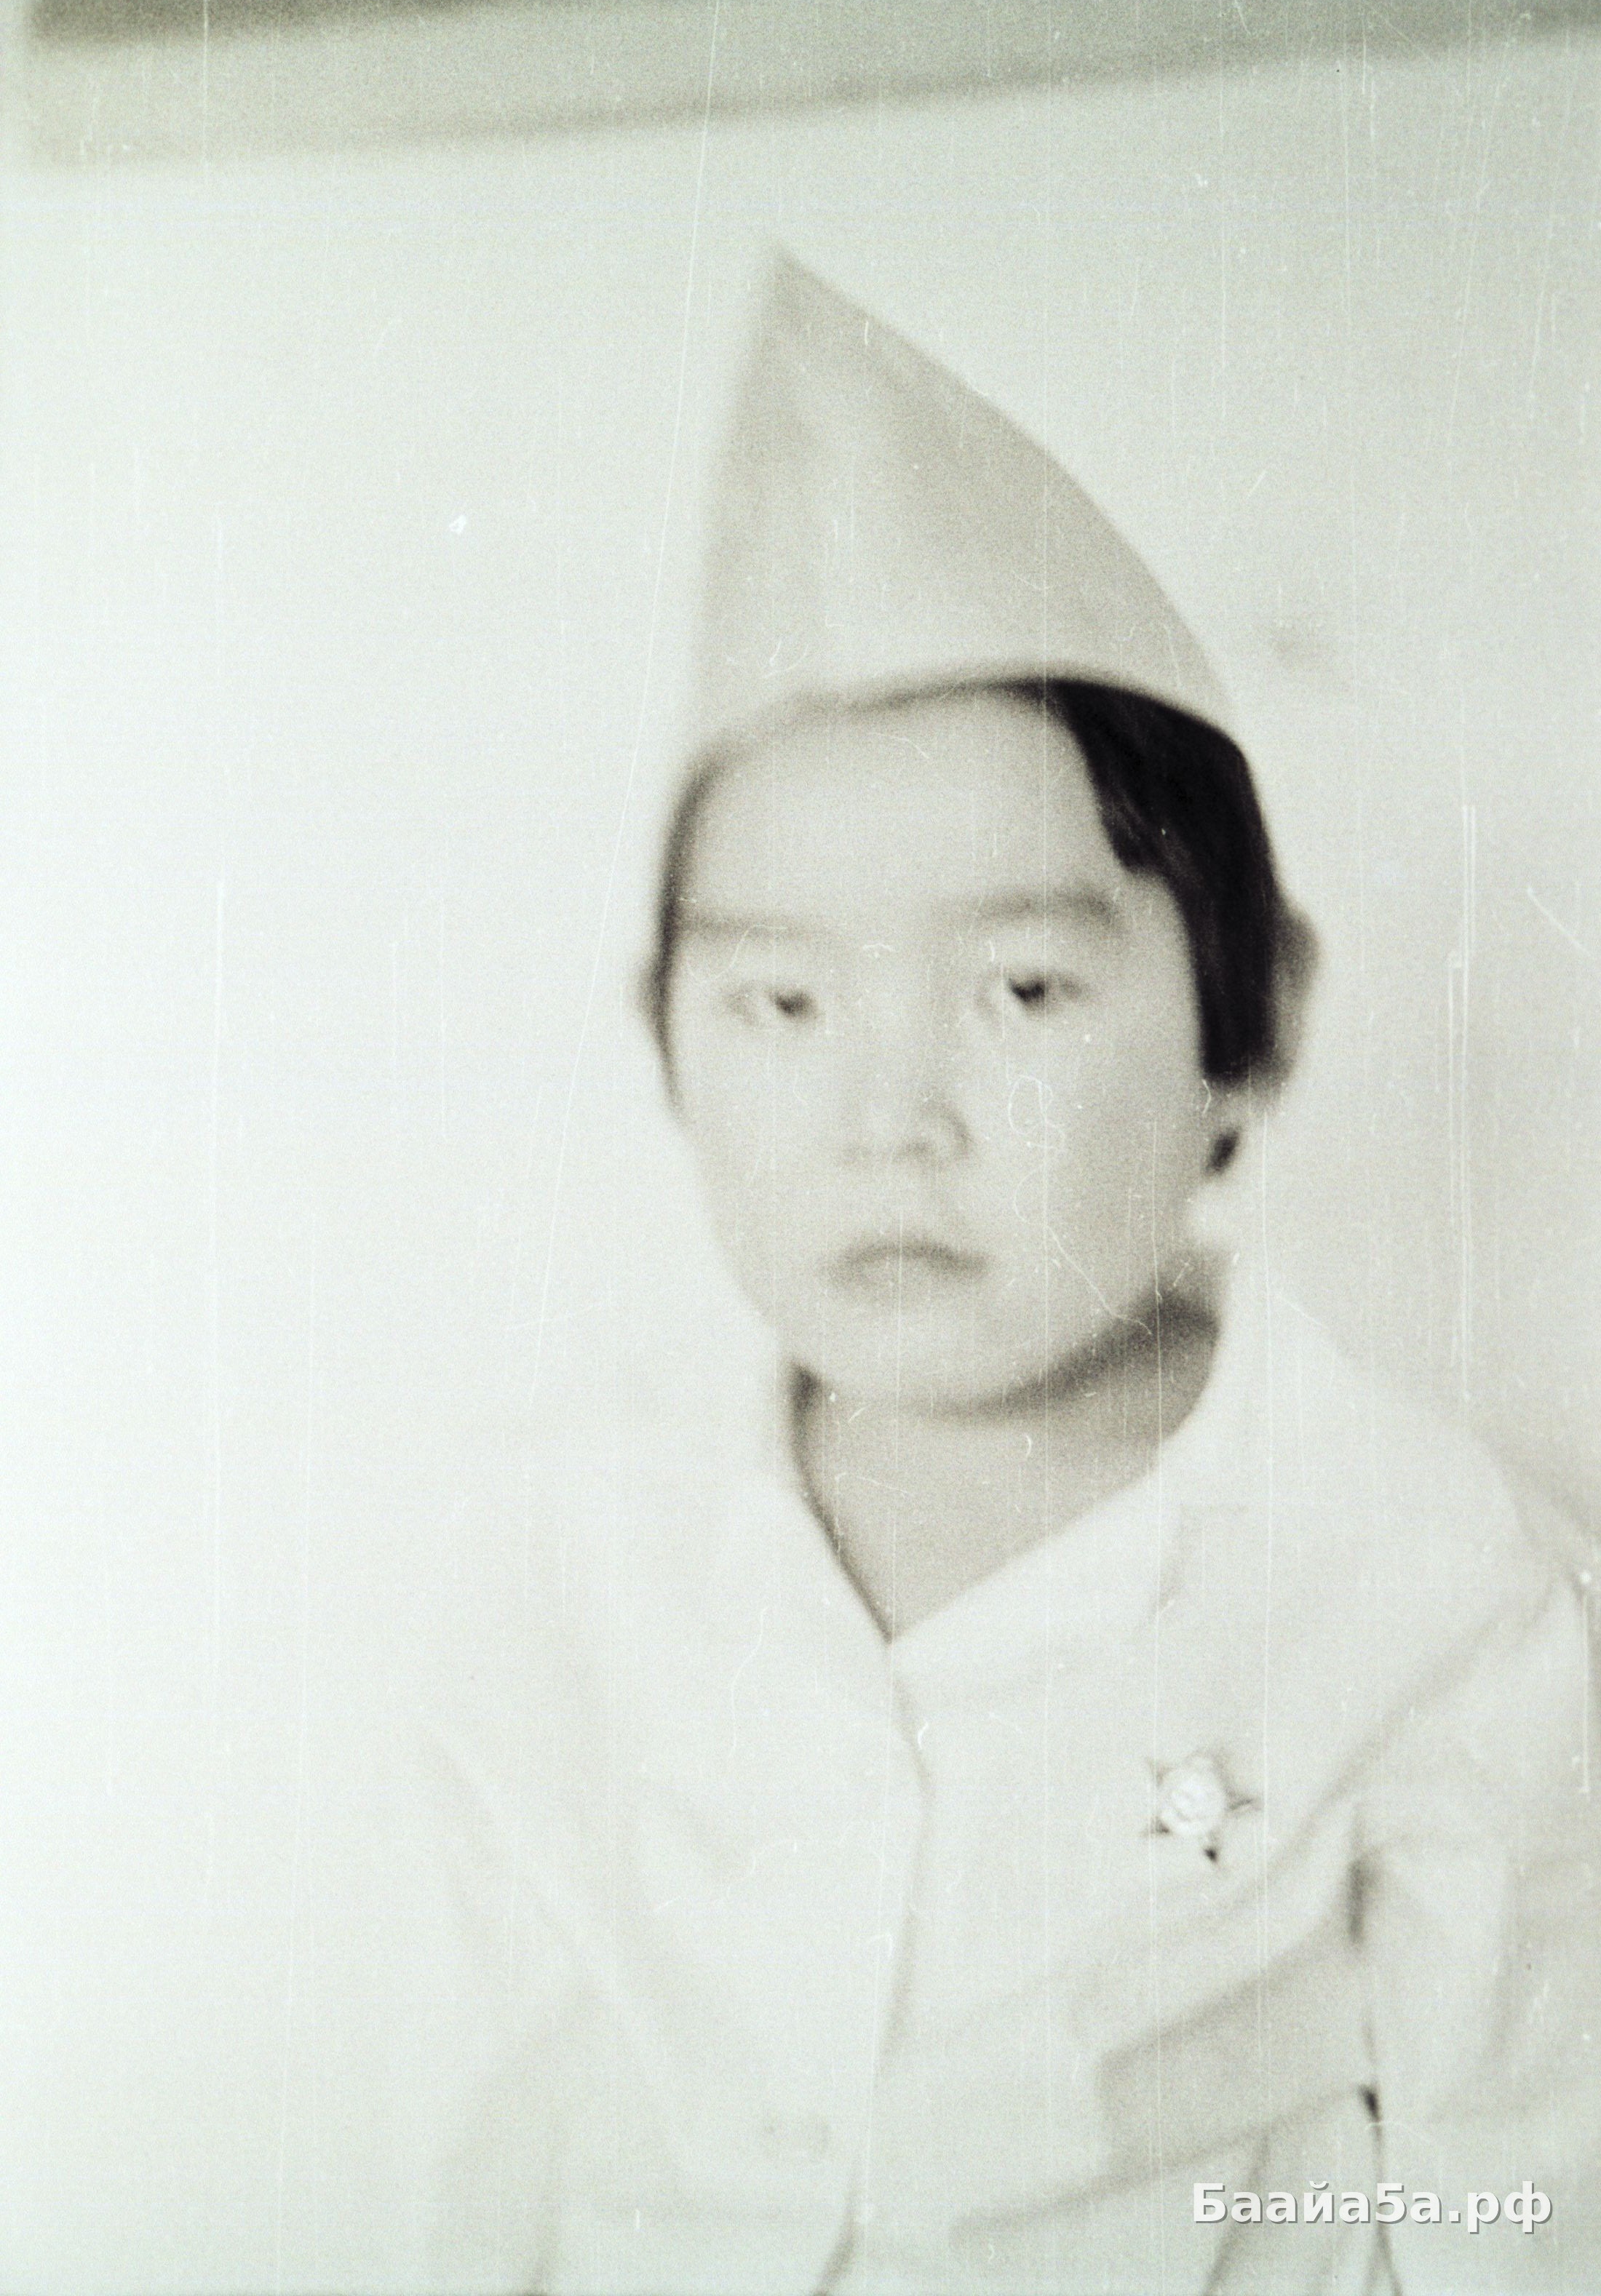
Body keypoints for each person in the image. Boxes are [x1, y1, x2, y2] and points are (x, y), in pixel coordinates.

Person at [407, 257, 1601, 2295]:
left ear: (1253, 1026)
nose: (893, 1117)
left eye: (1024, 990)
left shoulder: (1429, 1580)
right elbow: (462, 2147)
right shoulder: (562, 1540)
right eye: (782, 1003)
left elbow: (1526, 2189)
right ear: (663, 1041)